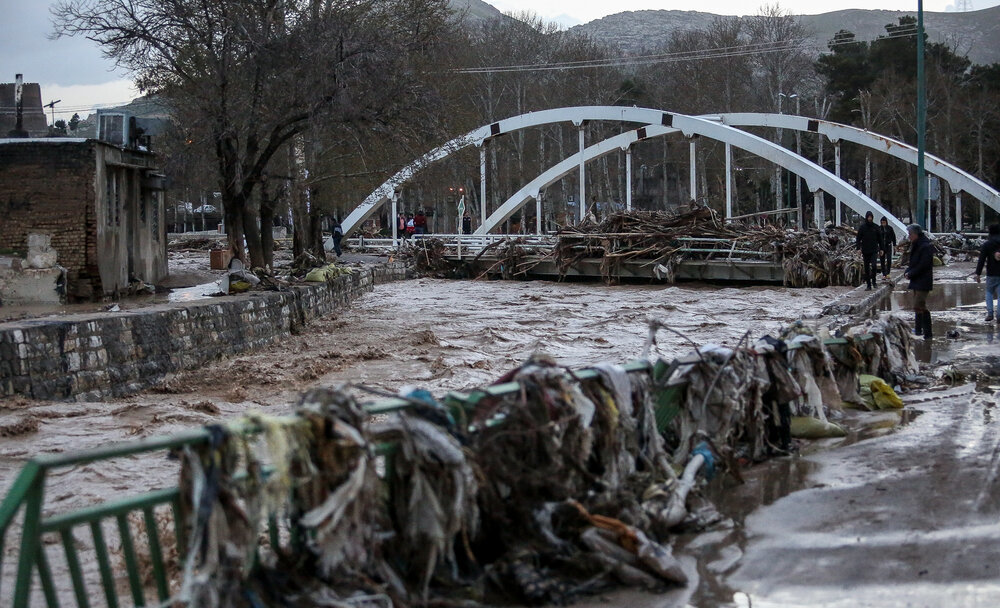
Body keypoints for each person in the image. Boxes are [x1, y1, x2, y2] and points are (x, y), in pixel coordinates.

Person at [904, 224, 934, 339]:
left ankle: (927, 333)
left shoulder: (924, 246)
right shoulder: (916, 245)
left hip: (923, 280)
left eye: (910, 234)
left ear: (916, 234)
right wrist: (908, 271)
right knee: (918, 306)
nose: (909, 237)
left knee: (919, 305)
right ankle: (918, 330)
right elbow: (913, 262)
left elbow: (923, 264)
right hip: (917, 279)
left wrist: (911, 273)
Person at [974, 223, 1000, 322]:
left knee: (989, 292)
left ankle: (990, 314)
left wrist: (978, 273)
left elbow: (981, 260)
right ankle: (999, 316)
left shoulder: (987, 244)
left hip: (991, 273)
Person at [856, 211, 881, 290]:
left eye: (871, 217)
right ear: (866, 217)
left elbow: (880, 239)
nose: (870, 218)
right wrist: (858, 248)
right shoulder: (862, 228)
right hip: (865, 250)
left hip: (874, 250)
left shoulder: (876, 227)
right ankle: (868, 285)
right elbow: (858, 239)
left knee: (874, 266)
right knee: (866, 268)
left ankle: (874, 281)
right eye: (868, 217)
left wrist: (882, 249)